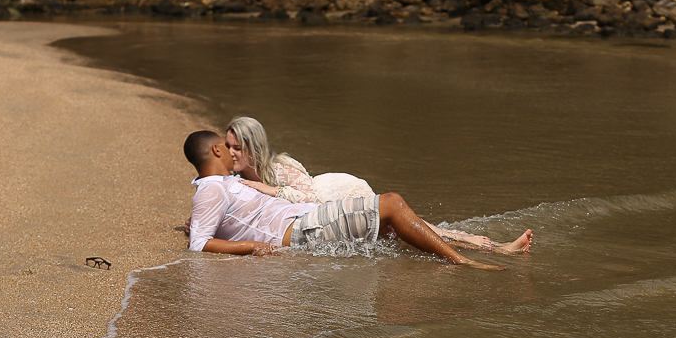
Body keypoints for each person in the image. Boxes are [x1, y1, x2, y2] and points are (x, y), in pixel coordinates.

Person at [184, 130, 504, 270]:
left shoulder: (224, 183)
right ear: (215, 151)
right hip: (302, 229)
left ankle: (477, 249)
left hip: (309, 218)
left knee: (395, 228)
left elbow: (210, 225)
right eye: (226, 148)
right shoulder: (212, 188)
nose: (230, 152)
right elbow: (200, 242)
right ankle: (465, 262)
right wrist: (252, 246)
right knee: (392, 203)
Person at [224, 116, 532, 255]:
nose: (231, 154)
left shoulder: (280, 168)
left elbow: (311, 197)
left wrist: (268, 190)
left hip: (344, 195)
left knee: (417, 231)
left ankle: (499, 248)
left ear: (253, 147)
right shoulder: (239, 179)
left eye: (236, 147)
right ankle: (491, 247)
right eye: (228, 147)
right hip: (334, 212)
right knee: (414, 232)